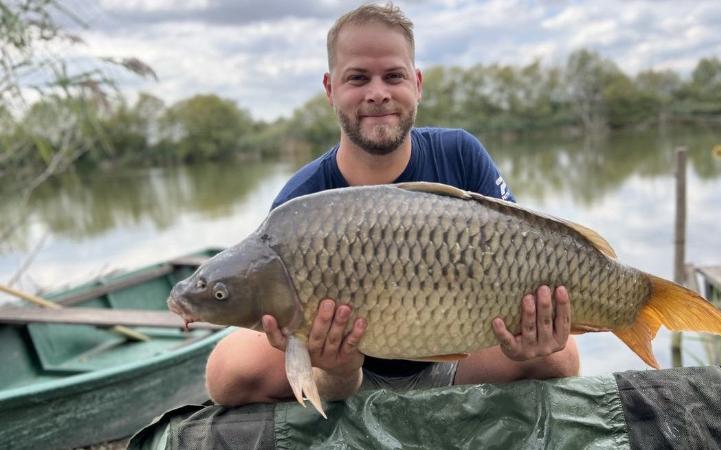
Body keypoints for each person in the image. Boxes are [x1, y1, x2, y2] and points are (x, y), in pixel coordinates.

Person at [204, 2, 580, 406]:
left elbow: (526, 251)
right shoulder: (302, 203)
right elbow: (325, 383)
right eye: (358, 78)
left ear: (417, 83)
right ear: (331, 89)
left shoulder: (460, 154)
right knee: (227, 376)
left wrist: (531, 335)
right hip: (350, 373)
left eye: (393, 76)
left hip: (462, 358)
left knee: (562, 356)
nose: (378, 93)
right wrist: (339, 369)